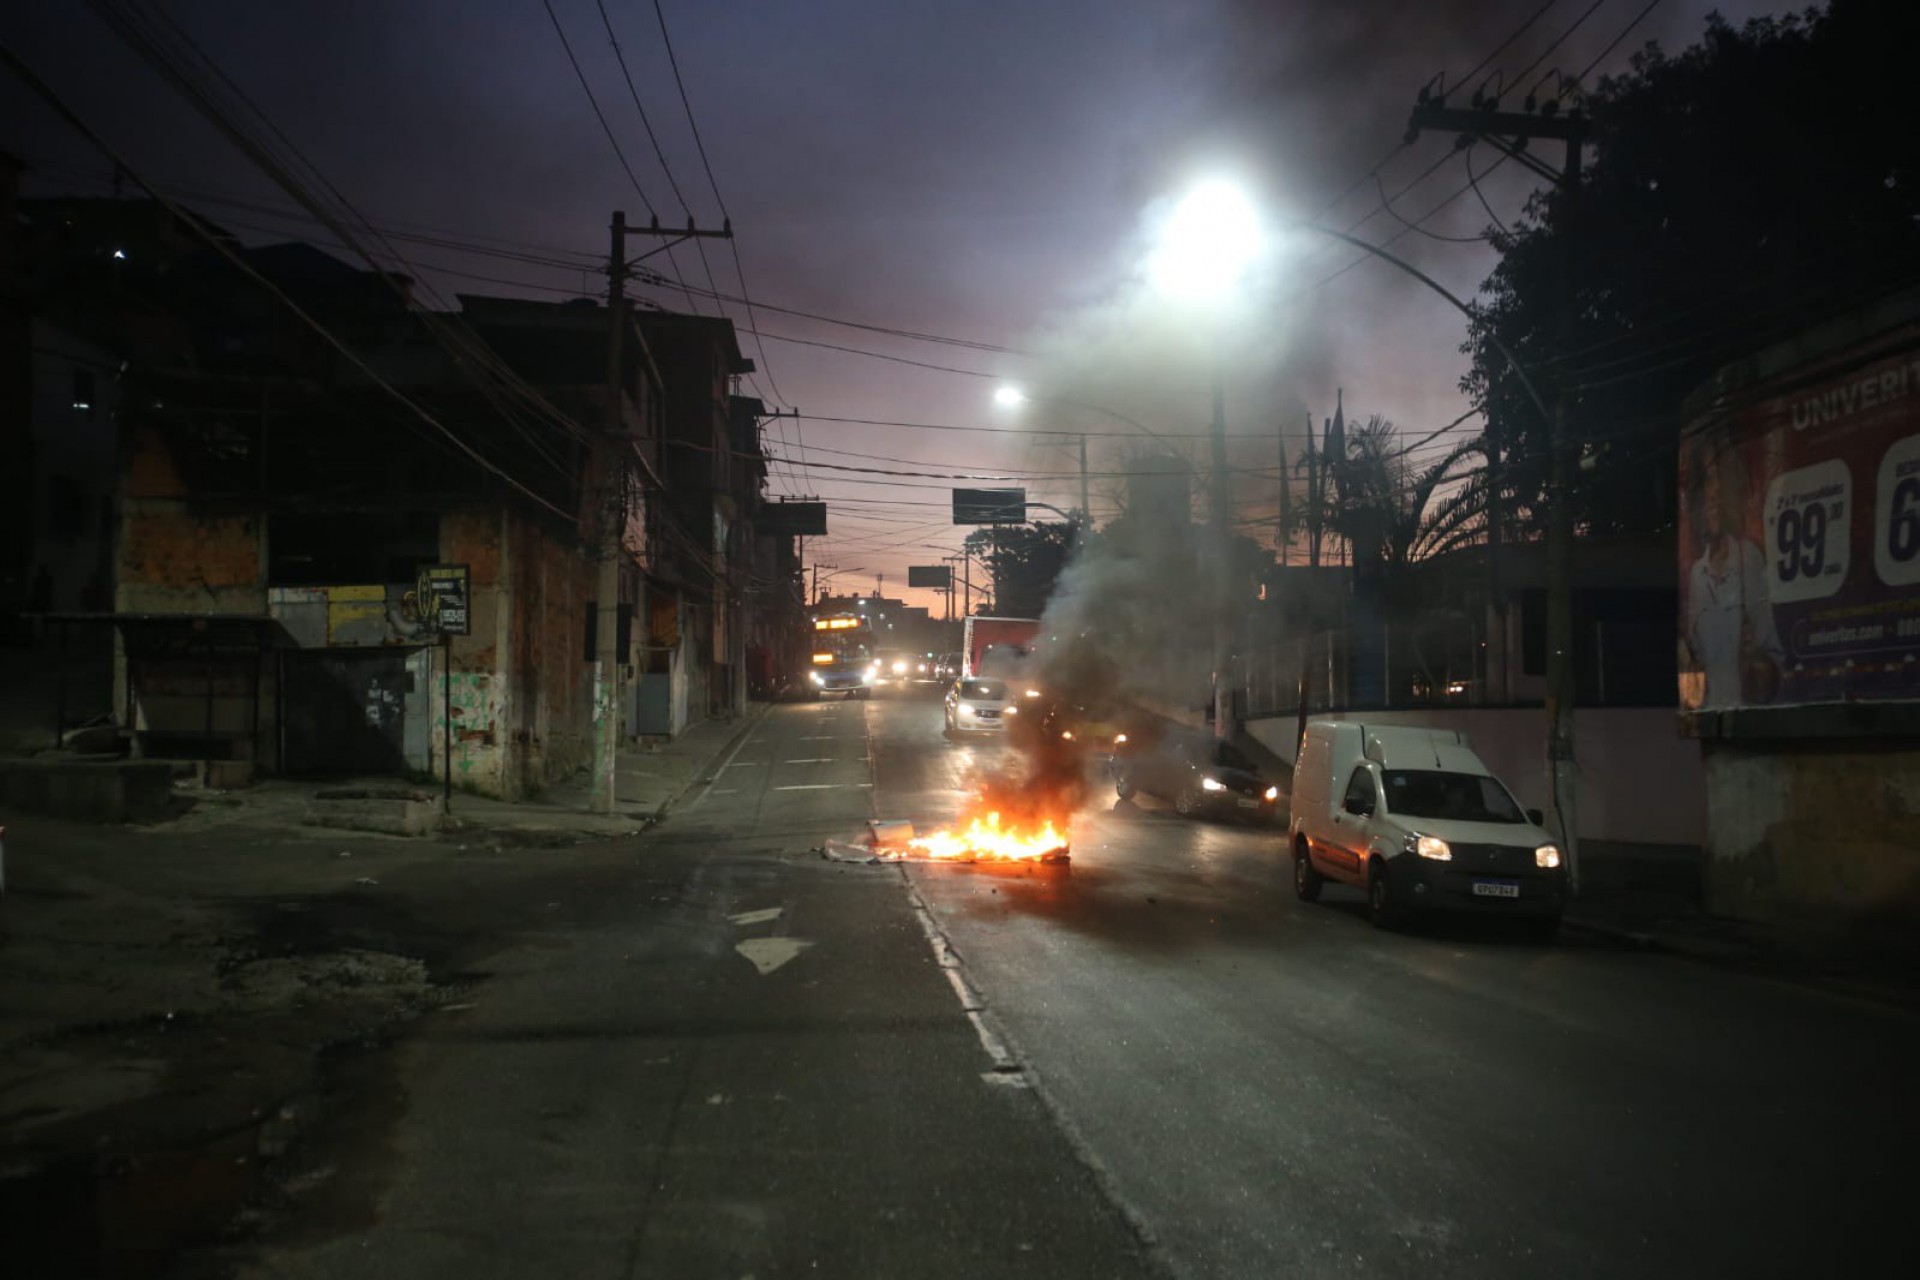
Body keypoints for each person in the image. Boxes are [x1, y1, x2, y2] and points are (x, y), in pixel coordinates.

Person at [1683, 437, 1783, 707]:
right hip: (1711, 729)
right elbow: (1692, 691)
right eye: (1704, 482)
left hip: (1747, 726)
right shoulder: (1696, 575)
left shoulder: (1748, 558)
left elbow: (1774, 661)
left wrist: (1755, 663)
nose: (1712, 493)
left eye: (1717, 478)